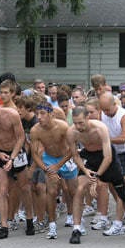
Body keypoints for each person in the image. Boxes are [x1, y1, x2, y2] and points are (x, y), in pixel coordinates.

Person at [67, 107, 125, 243]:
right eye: (75, 123)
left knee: (121, 192)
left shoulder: (100, 128)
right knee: (79, 189)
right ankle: (77, 227)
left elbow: (107, 157)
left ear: (87, 118)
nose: (78, 126)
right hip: (90, 158)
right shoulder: (72, 132)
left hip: (106, 156)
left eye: (81, 123)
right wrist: (85, 170)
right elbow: (75, 155)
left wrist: (96, 177)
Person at [0, 89, 36, 239]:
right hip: (1, 153)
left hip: (16, 151)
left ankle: (30, 219)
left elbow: (21, 137)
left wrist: (12, 158)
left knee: (24, 187)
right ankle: (4, 226)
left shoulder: (11, 114)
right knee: (2, 190)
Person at [29, 101, 78, 240]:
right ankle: (52, 225)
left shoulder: (62, 126)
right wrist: (47, 169)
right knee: (51, 191)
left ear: (51, 114)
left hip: (66, 157)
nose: (39, 117)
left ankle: (74, 220)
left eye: (42, 114)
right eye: (37, 114)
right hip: (49, 159)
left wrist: (60, 165)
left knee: (72, 191)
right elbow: (34, 154)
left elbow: (72, 149)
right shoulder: (35, 130)